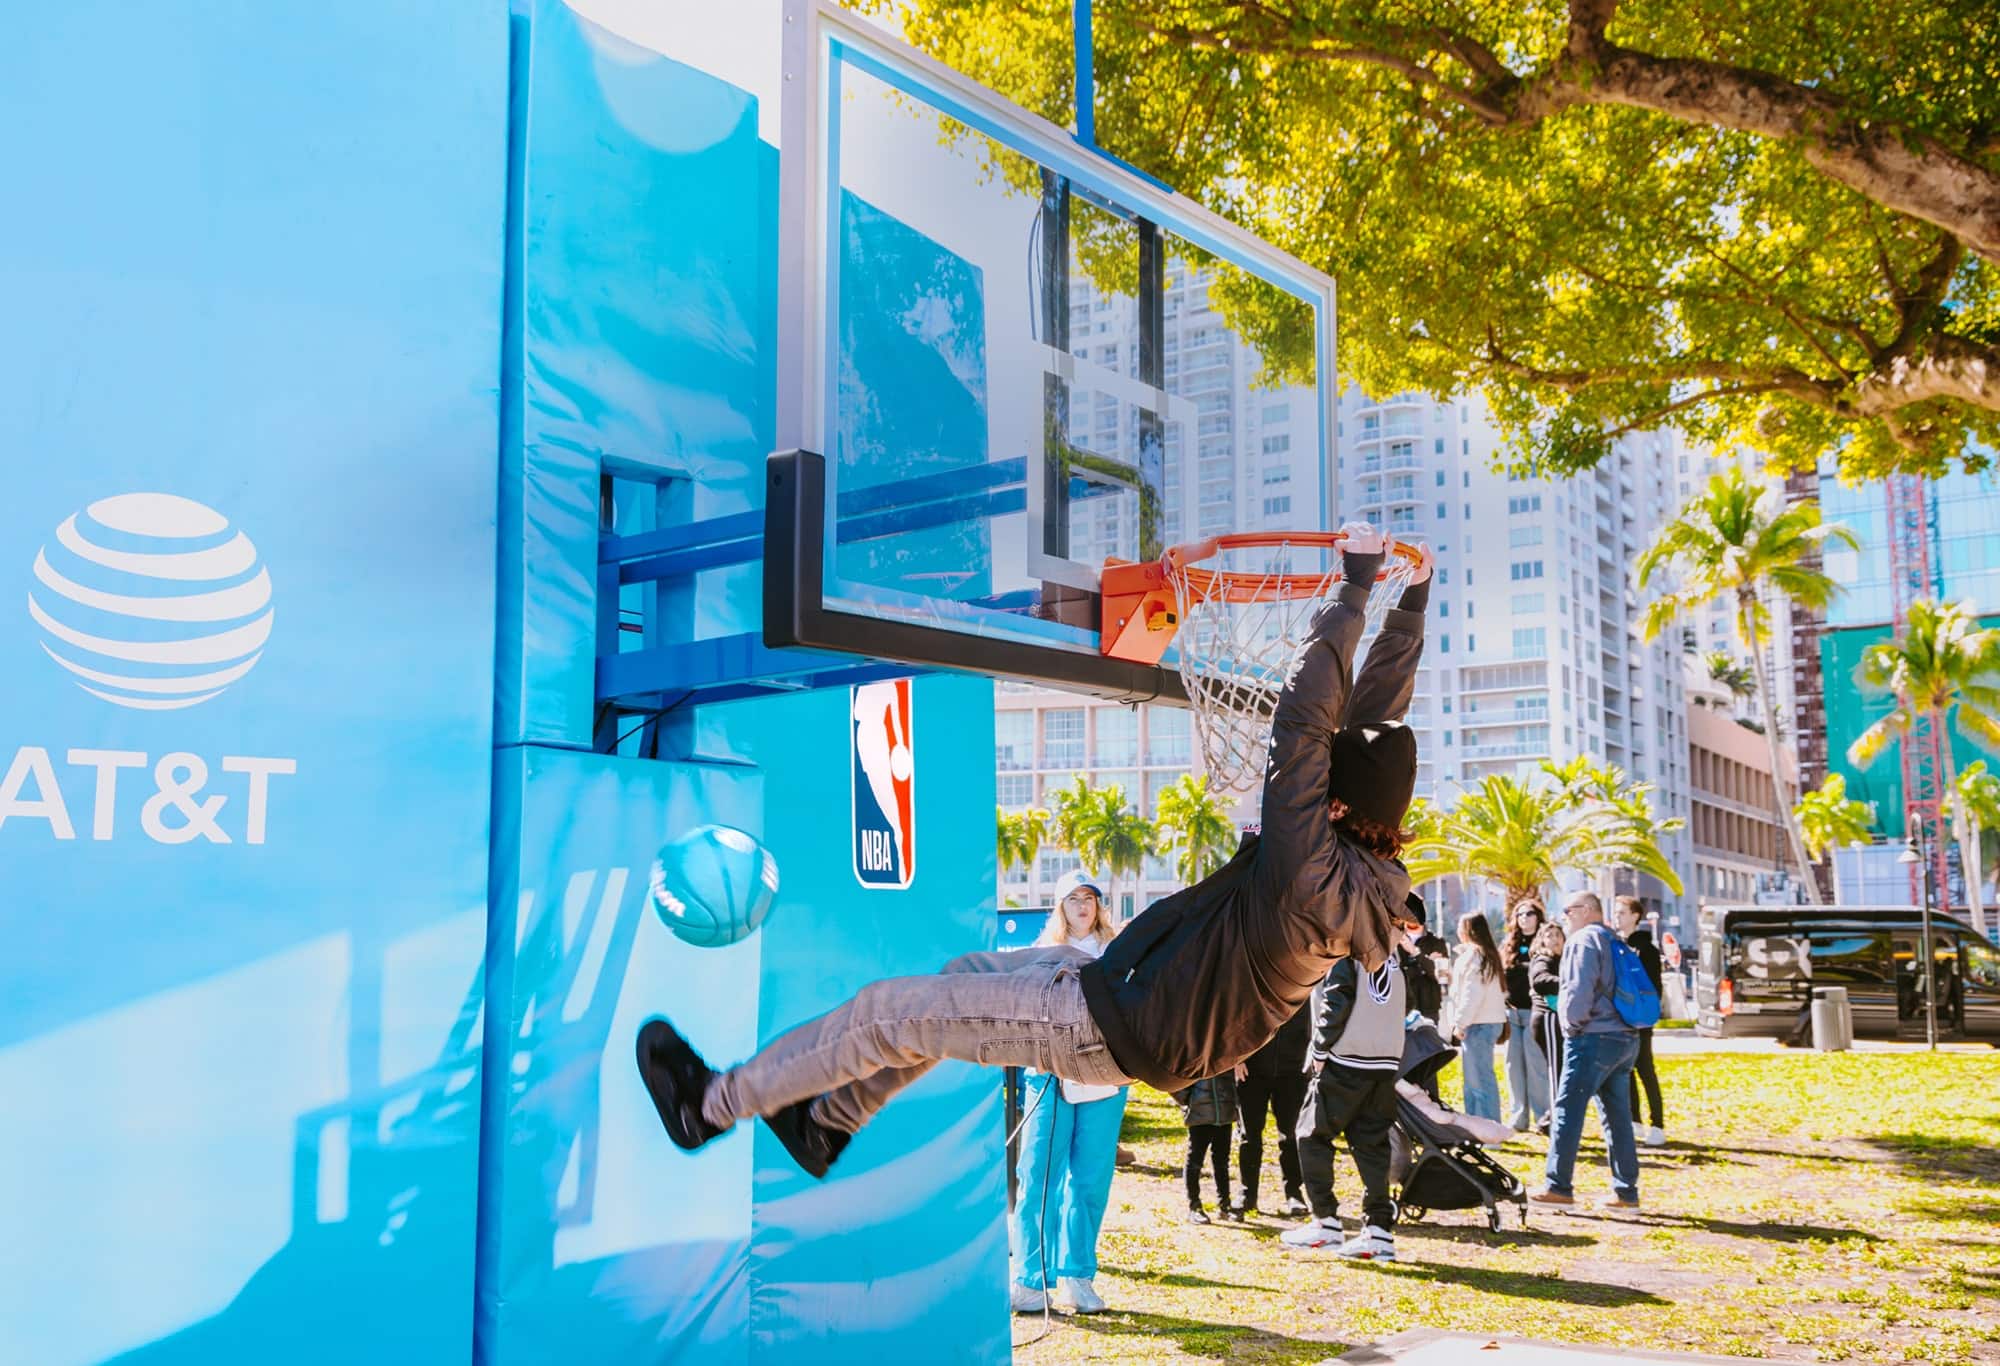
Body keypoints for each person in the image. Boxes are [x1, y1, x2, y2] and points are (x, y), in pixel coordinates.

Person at [634, 524, 1433, 1191]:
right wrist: (1411, 605)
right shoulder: (1353, 856)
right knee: (952, 982)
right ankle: (823, 1124)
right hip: (1107, 989)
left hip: (1103, 1025)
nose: (1320, 762)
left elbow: (1302, 724)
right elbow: (1376, 722)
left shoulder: (1311, 878)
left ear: (1334, 805)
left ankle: (707, 1107)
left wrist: (1355, 590)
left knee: (887, 1014)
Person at [1279, 904, 1427, 1262]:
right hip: (1383, 1062)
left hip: (1347, 1057)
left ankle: (1326, 1221)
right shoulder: (1391, 953)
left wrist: (1319, 1047)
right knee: (1371, 1145)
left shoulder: (1349, 943)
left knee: (1310, 1135)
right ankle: (1378, 1231)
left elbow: (1337, 997)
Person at [1009, 870, 1128, 1316]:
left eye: (1090, 898)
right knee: (1039, 1177)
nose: (1083, 906)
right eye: (1073, 898)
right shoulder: (1040, 955)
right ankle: (1029, 1281)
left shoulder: (1116, 954)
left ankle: (1078, 1277)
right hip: (1050, 1077)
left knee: (1091, 1180)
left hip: (1103, 1079)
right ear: (1059, 906)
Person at [1530, 892, 1643, 1211]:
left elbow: (1577, 990)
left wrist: (1571, 1026)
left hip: (1592, 1036)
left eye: (1569, 910)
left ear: (1587, 911)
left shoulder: (1583, 941)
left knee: (1567, 1109)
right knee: (1617, 1115)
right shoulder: (1613, 939)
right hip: (1624, 1035)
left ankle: (1558, 1186)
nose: (1565, 916)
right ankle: (1626, 1192)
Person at [1233, 1001, 1310, 1219]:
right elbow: (1238, 1015)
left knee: (1291, 1136)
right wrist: (1238, 1057)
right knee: (1249, 1136)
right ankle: (1247, 1193)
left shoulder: (1307, 981)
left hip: (1293, 1069)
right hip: (1252, 1069)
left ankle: (1294, 1194)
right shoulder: (1259, 977)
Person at [1614, 895, 1667, 1149]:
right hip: (1620, 1018)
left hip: (1641, 1020)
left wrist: (1646, 1015)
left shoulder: (1646, 950)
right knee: (1626, 1072)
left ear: (1635, 915)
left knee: (1646, 1070)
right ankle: (1634, 1120)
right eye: (1616, 913)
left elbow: (1653, 987)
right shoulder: (1616, 945)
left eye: (1622, 912)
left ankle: (1657, 1124)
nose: (1618, 917)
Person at [1446, 911, 1507, 1124]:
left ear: (1468, 930)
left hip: (1478, 1023)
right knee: (1476, 1078)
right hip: (1483, 1022)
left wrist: (1460, 1022)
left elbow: (1473, 994)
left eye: (1461, 927)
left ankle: (1488, 1127)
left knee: (1479, 1079)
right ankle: (1475, 1124)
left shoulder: (1475, 956)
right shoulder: (1483, 955)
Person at [1500, 900, 1550, 1132]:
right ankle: (1519, 1117)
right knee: (1513, 1067)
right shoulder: (1510, 944)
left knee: (1536, 1065)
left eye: (1529, 913)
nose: (1524, 918)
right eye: (1519, 914)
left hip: (1535, 1012)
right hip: (1512, 1012)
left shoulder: (1545, 943)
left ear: (1538, 916)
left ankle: (1543, 1117)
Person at [1172, 1070, 1238, 1224]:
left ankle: (1224, 1205)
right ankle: (1194, 1206)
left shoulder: (1225, 1052)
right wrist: (1189, 1100)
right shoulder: (1193, 1052)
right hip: (1199, 1114)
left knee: (1222, 1162)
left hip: (1224, 1112)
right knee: (1195, 1161)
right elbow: (1175, 1082)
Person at [1527, 921, 1566, 1134]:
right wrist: (1570, 981)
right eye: (1549, 935)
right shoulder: (1542, 959)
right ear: (1541, 940)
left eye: (1558, 934)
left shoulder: (1562, 959)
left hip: (1559, 1020)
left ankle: (1549, 1119)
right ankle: (1555, 1124)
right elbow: (1540, 981)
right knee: (1556, 1072)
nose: (1554, 939)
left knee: (1562, 1071)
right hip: (1548, 1019)